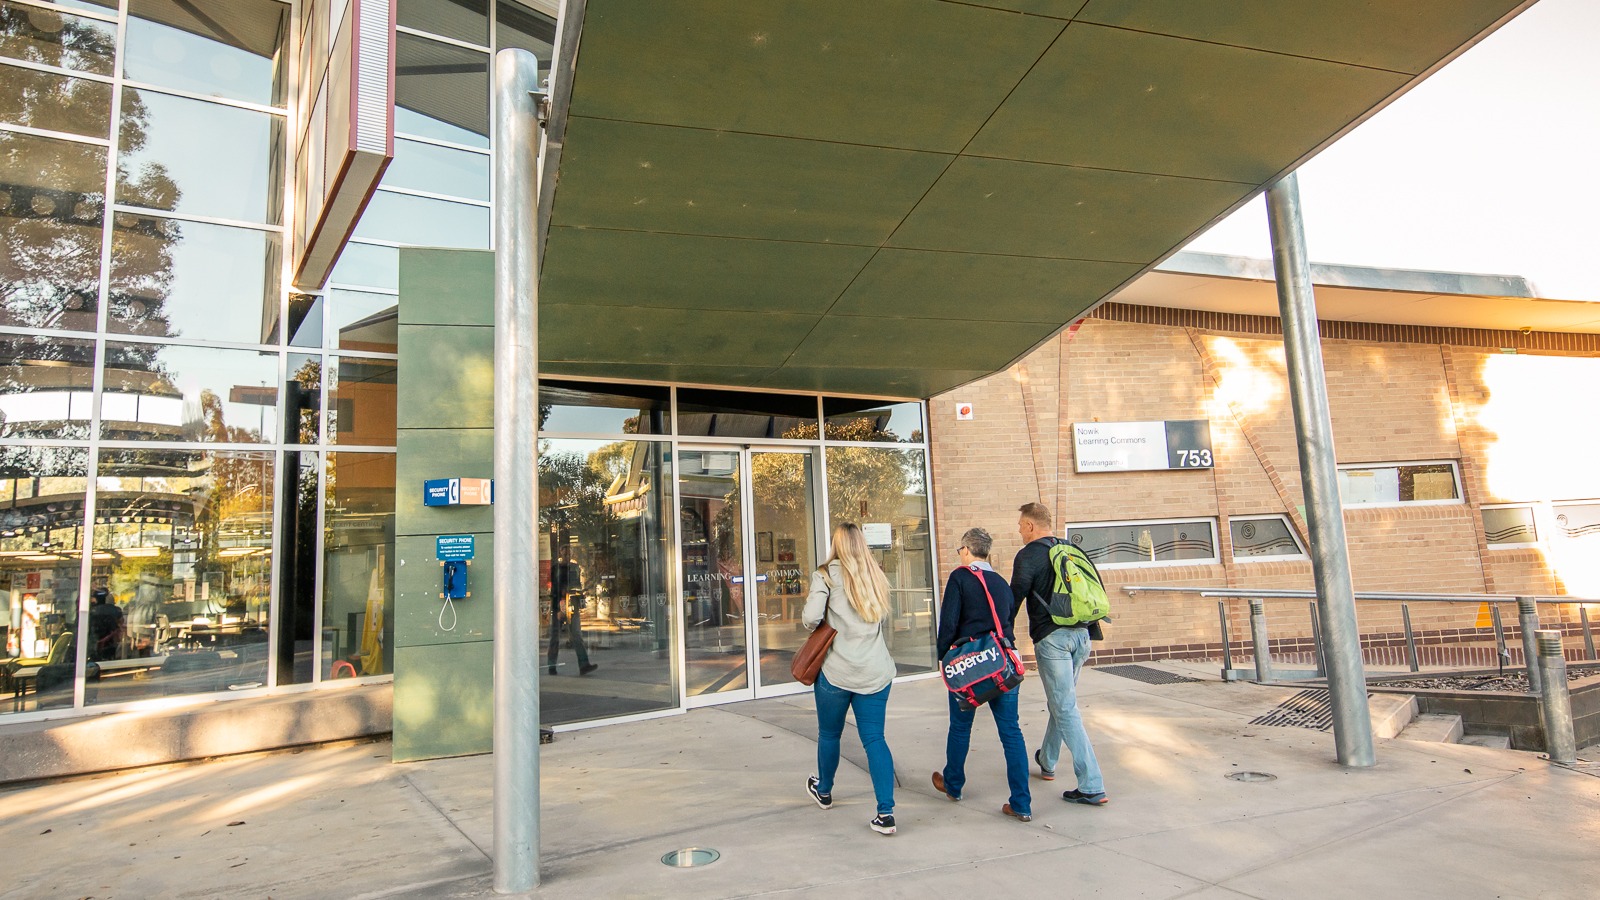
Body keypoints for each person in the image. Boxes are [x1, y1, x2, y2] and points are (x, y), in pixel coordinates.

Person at [801, 523, 899, 836]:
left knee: (830, 734)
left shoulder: (826, 575)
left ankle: (825, 790)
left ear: (837, 545)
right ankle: (886, 813)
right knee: (875, 739)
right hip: (875, 671)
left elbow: (810, 618)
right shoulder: (876, 575)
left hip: (836, 672)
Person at [933, 527, 1032, 822]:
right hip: (1001, 665)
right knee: (1011, 733)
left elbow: (948, 623)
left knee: (961, 727)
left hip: (970, 669)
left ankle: (953, 785)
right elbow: (1007, 625)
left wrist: (943, 658)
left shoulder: (960, 577)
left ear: (966, 550)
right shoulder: (1001, 583)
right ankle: (1022, 804)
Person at [1012, 501, 1107, 806]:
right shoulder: (1072, 548)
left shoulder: (1028, 555)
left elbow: (1014, 598)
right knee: (1062, 702)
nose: (1019, 531)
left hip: (1052, 640)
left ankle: (1091, 784)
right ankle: (1048, 760)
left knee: (1065, 707)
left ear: (1029, 525)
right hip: (1082, 635)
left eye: (1020, 526)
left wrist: (1002, 635)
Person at [546, 542, 597, 676]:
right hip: (561, 602)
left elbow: (578, 586)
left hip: (572, 602)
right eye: (565, 551)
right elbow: (555, 589)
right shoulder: (556, 568)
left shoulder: (575, 567)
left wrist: (581, 602)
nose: (567, 554)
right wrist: (557, 608)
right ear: (561, 553)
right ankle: (552, 665)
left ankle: (584, 664)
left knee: (576, 634)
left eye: (569, 551)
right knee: (555, 637)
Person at [88, 587, 124, 662]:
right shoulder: (117, 610)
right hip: (111, 637)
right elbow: (121, 622)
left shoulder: (93, 610)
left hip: (97, 637)